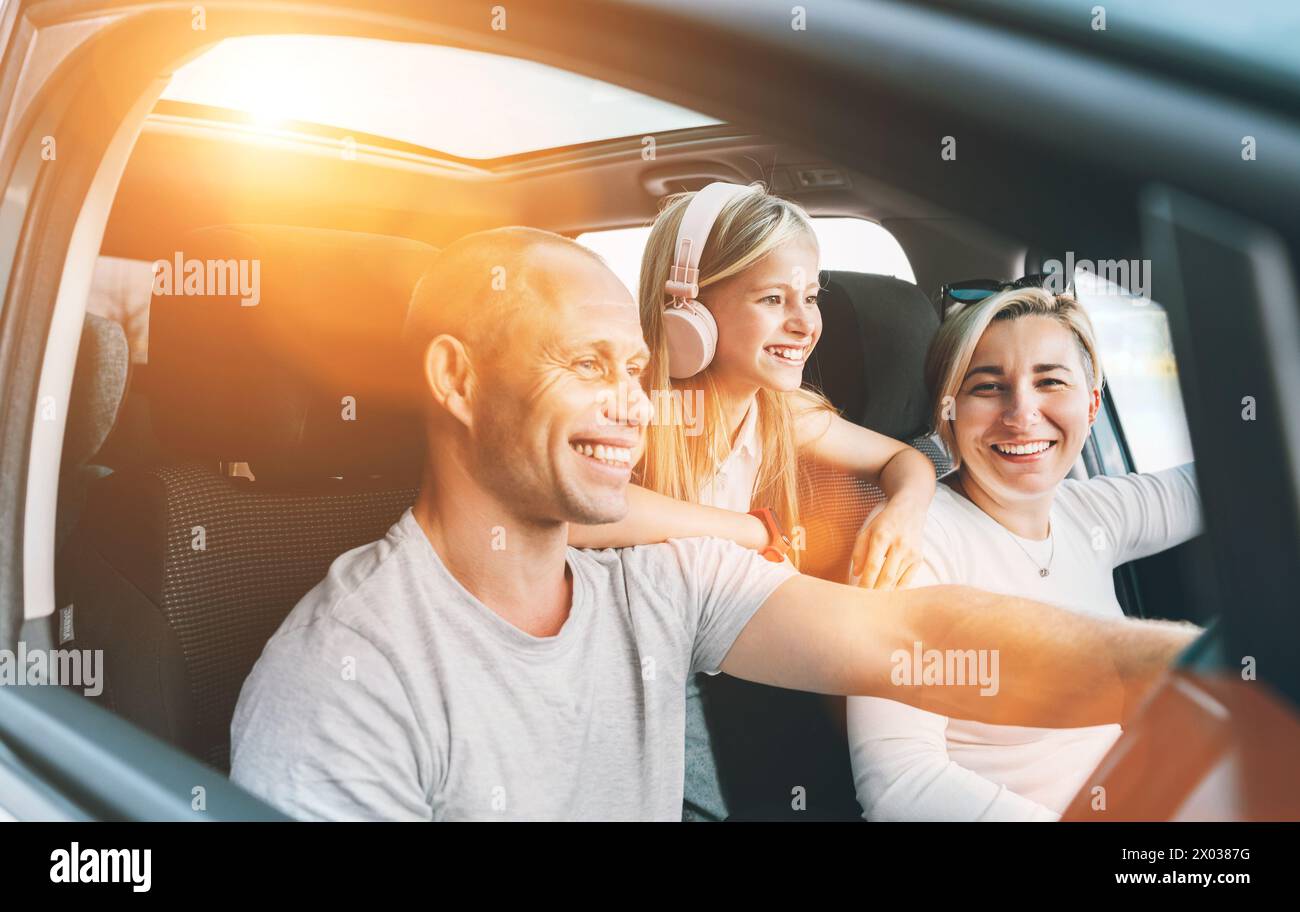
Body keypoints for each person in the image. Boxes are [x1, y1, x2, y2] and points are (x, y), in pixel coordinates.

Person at [229, 229, 1198, 821]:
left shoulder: (663, 581)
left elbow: (917, 638)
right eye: (586, 367)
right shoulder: (344, 677)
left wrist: (1199, 678)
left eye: (635, 370)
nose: (638, 407)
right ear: (454, 379)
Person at [567, 182, 936, 819]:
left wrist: (901, 508)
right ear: (689, 309)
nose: (805, 322)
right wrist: (744, 531)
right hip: (621, 676)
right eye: (773, 299)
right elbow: (575, 516)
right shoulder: (643, 407)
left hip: (714, 662)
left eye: (811, 297)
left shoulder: (778, 412)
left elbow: (903, 460)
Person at [846, 283, 1202, 821]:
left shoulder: (1088, 513)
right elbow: (897, 784)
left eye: (1050, 381)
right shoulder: (915, 542)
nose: (1022, 413)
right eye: (987, 388)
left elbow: (1221, 486)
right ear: (948, 412)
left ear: (1092, 403)